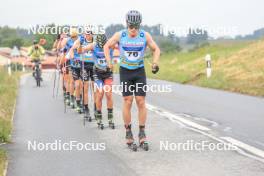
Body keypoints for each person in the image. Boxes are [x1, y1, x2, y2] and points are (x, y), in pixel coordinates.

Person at [104, 10, 160, 150]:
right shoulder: (120, 35)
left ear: (139, 25)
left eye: (136, 26)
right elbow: (106, 46)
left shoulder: (144, 35)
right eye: (131, 26)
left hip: (139, 71)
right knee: (128, 100)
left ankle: (142, 132)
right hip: (125, 72)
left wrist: (155, 63)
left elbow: (156, 49)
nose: (133, 29)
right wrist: (109, 62)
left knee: (141, 101)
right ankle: (128, 132)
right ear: (127, 24)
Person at [82, 34, 115, 129]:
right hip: (97, 73)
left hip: (108, 73)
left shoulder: (110, 45)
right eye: (100, 46)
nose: (102, 48)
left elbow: (120, 43)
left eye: (103, 46)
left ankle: (110, 118)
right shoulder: (93, 45)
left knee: (108, 94)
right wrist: (80, 46)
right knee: (100, 94)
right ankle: (99, 115)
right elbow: (81, 50)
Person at [71, 30, 95, 119]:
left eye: (90, 34)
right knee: (85, 87)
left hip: (94, 65)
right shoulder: (80, 40)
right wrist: (80, 45)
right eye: (86, 34)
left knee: (94, 87)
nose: (88, 35)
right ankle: (86, 108)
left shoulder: (95, 41)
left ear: (92, 34)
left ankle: (96, 108)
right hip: (84, 65)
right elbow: (76, 50)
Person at [61, 29, 79, 108]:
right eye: (72, 36)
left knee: (78, 83)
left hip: (78, 61)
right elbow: (64, 52)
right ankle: (70, 97)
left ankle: (78, 97)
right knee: (70, 80)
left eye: (75, 36)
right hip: (69, 61)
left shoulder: (79, 40)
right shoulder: (67, 41)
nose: (74, 38)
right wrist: (63, 65)